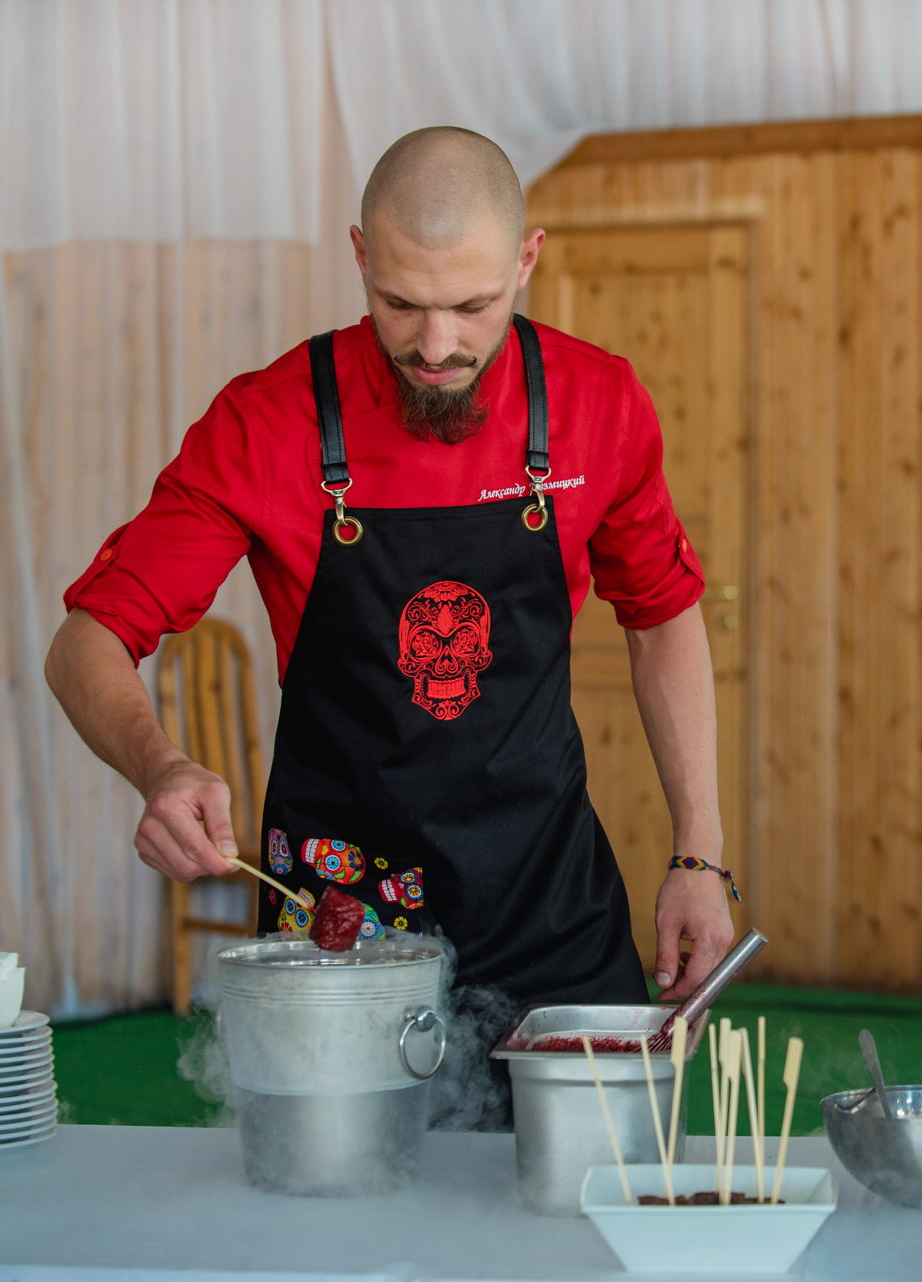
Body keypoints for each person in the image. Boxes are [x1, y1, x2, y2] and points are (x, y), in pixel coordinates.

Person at [45, 126, 735, 1008]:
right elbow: (86, 642)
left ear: (527, 260)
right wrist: (161, 767)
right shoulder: (266, 424)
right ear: (361, 256)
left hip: (547, 899)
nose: (436, 346)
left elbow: (661, 615)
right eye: (401, 304)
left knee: (599, 1107)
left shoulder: (598, 404)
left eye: (473, 306)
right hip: (339, 912)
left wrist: (698, 854)